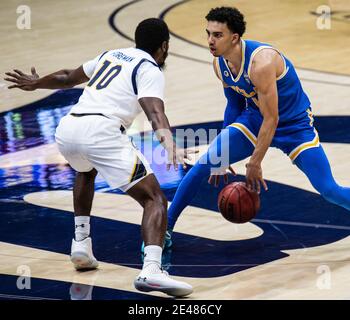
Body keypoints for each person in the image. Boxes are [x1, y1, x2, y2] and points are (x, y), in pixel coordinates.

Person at [4, 18, 193, 297]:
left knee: (86, 171)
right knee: (154, 199)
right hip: (101, 131)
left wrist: (36, 83)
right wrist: (168, 141)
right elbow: (154, 111)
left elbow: (68, 77)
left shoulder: (111, 55)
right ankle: (152, 270)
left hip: (69, 129)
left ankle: (81, 243)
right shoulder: (149, 69)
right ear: (163, 46)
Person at [165, 6, 350, 245]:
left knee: (328, 190)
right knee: (205, 164)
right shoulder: (219, 64)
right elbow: (234, 105)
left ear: (234, 38)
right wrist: (224, 156)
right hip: (254, 119)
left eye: (217, 35)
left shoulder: (261, 63)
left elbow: (272, 118)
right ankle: (165, 227)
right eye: (208, 33)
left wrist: (255, 161)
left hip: (293, 125)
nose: (210, 40)